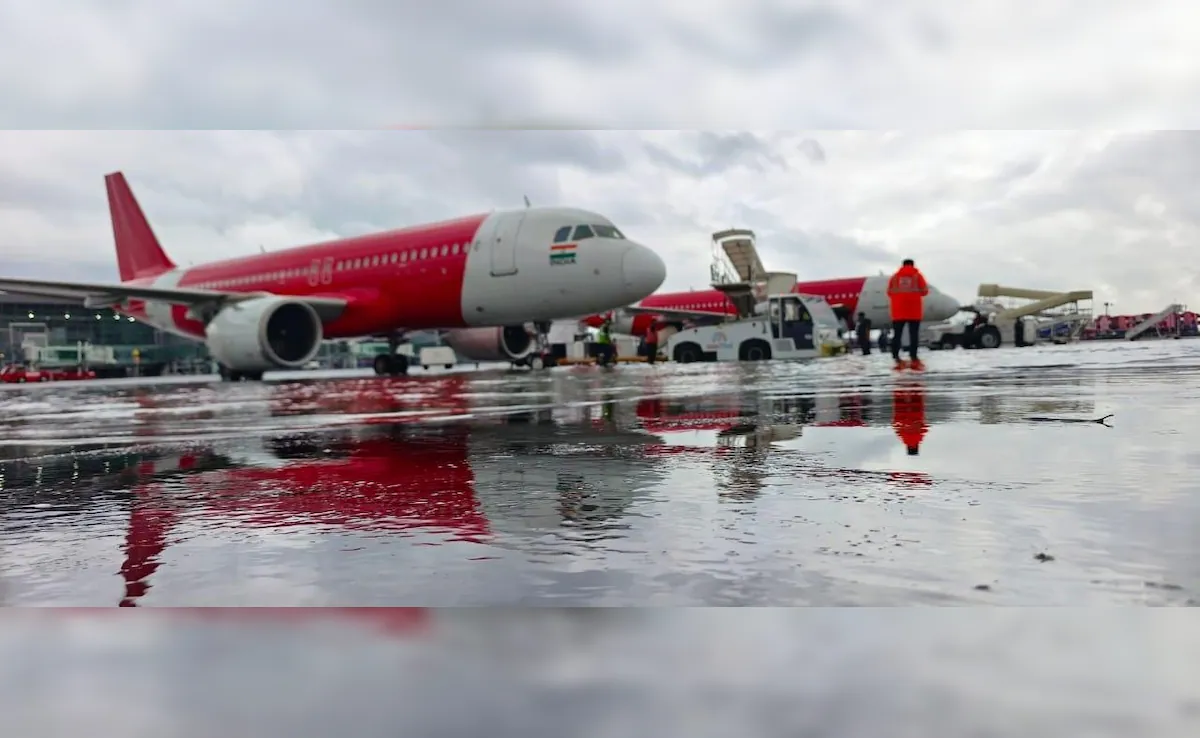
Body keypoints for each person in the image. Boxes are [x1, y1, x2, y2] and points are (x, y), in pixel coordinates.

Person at [887, 258, 929, 365]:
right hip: (914, 310)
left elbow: (889, 292)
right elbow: (925, 291)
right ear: (913, 265)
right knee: (913, 334)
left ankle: (895, 354)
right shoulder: (917, 276)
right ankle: (913, 355)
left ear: (903, 265)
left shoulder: (895, 277)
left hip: (898, 311)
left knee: (897, 334)